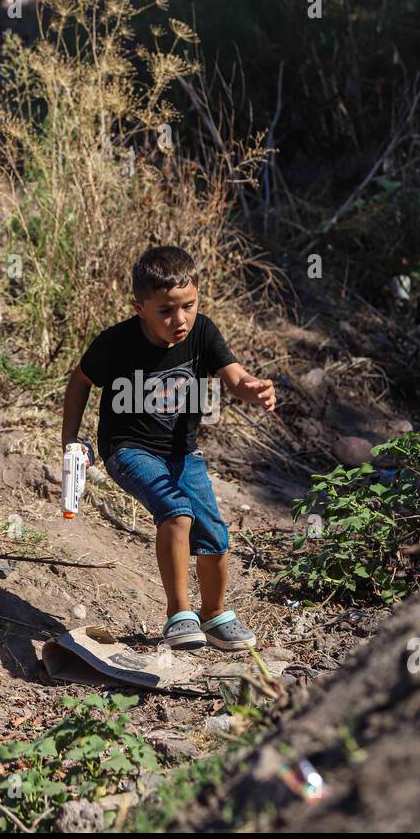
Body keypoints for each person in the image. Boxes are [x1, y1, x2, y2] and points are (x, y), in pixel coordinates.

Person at [61, 245, 276, 650]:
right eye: (166, 311)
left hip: (182, 453)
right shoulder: (116, 343)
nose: (180, 319)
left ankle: (213, 615)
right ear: (140, 307)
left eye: (189, 306)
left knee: (214, 534)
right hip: (128, 449)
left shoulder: (203, 332)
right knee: (176, 512)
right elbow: (80, 382)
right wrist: (70, 441)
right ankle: (180, 615)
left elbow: (234, 377)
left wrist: (253, 389)